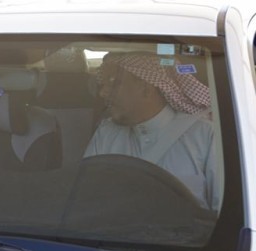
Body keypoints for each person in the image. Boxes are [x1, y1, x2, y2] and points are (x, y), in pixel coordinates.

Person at [84, 52, 220, 210]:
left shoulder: (205, 135)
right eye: (103, 83)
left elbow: (223, 209)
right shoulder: (106, 133)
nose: (103, 92)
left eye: (113, 81)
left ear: (146, 88)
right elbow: (87, 194)